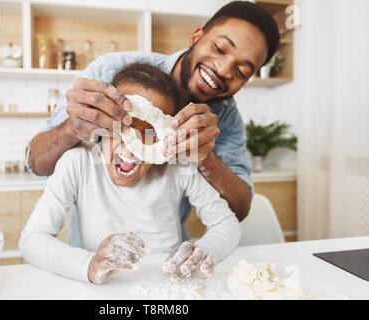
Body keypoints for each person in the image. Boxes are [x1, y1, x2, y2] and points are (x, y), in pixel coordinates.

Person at [26, 1, 279, 246]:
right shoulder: (111, 74)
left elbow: (238, 211)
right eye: (220, 48)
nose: (224, 69)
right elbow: (37, 164)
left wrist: (205, 157)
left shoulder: (225, 120)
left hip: (165, 253)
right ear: (196, 37)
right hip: (92, 254)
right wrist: (72, 128)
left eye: (242, 71)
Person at [19, 64, 241, 284]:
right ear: (101, 120)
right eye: (122, 125)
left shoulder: (178, 166)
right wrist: (89, 266)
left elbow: (227, 224)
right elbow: (32, 239)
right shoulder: (78, 163)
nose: (132, 148)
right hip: (103, 290)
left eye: (152, 133)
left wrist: (204, 250)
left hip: (169, 286)